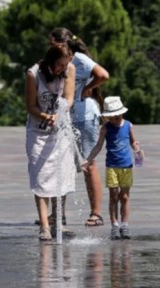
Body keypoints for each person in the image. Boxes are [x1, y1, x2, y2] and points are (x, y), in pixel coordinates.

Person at [49, 27, 109, 227]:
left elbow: (103, 75)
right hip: (66, 116)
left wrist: (86, 88)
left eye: (53, 43)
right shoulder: (56, 61)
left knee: (88, 164)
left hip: (85, 116)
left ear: (63, 43)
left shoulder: (80, 59)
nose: (50, 46)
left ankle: (96, 213)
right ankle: (58, 214)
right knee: (62, 164)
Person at [25, 45, 76, 241]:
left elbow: (69, 98)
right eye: (60, 65)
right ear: (50, 63)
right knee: (41, 177)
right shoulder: (33, 74)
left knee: (61, 175)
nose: (63, 69)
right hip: (38, 131)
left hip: (61, 129)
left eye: (65, 65)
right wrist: (45, 115)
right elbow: (30, 105)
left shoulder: (69, 70)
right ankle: (44, 226)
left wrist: (59, 114)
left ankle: (58, 221)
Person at [82, 96, 144, 240]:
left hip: (126, 166)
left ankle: (125, 224)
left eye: (117, 116)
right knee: (113, 196)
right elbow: (98, 146)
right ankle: (114, 225)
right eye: (112, 117)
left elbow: (133, 142)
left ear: (122, 113)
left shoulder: (128, 125)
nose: (115, 120)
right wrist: (88, 160)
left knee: (125, 196)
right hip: (112, 166)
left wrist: (138, 150)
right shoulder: (105, 128)